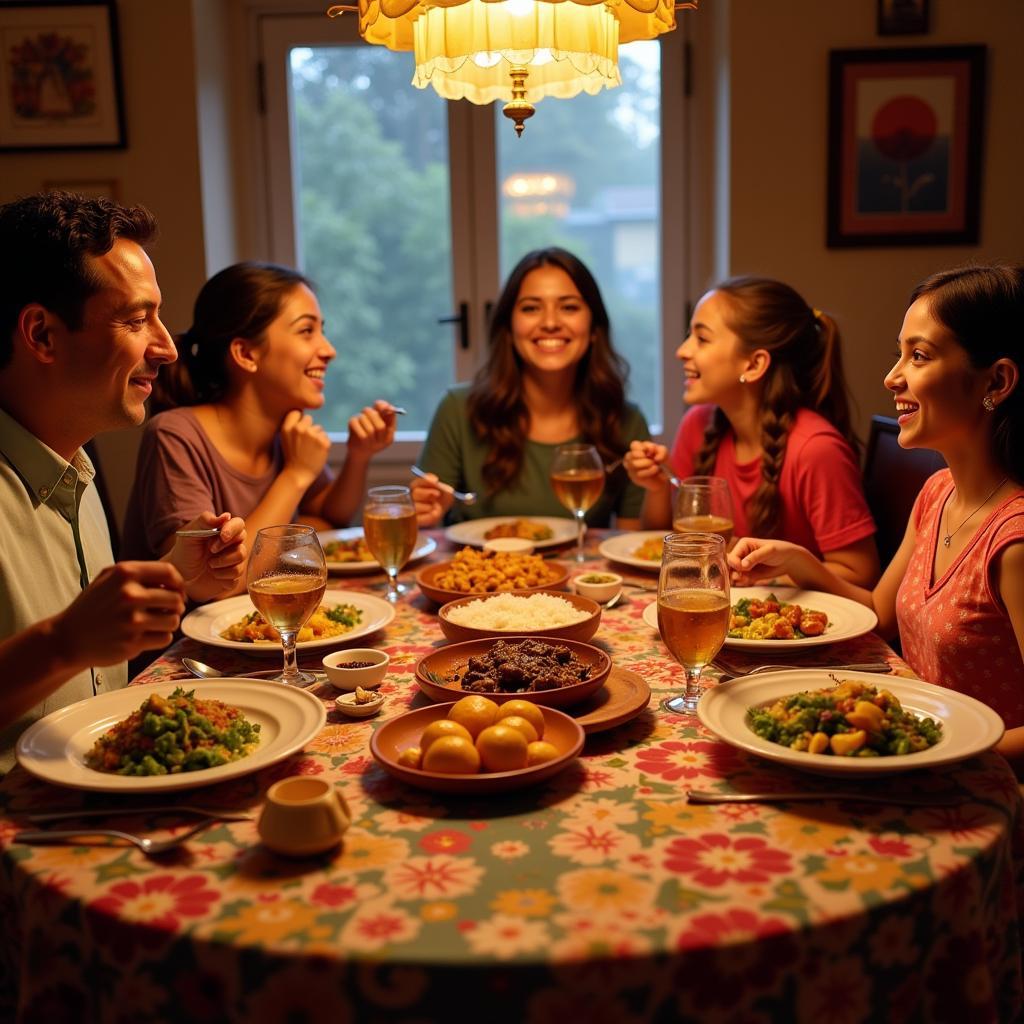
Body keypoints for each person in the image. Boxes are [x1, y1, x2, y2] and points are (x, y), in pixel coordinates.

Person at [729, 264, 1024, 770]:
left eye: (920, 355)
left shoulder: (1015, 541)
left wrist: (931, 750)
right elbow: (880, 614)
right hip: (919, 763)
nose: (892, 377)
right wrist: (798, 561)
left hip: (982, 788)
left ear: (996, 380)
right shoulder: (937, 494)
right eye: (900, 353)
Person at [0, 191, 246, 751]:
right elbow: (70, 645)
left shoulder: (77, 470)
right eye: (137, 319)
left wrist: (177, 579)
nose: (167, 348)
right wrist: (62, 643)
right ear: (41, 334)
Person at [121, 261, 398, 578]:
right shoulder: (174, 436)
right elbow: (209, 580)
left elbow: (331, 519)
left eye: (322, 330)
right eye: (307, 331)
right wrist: (295, 476)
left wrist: (359, 456)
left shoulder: (285, 430)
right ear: (246, 354)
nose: (329, 350)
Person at [624, 275, 879, 586]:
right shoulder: (698, 424)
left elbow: (861, 574)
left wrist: (776, 574)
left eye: (702, 339)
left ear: (754, 365)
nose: (681, 351)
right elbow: (662, 539)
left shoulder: (816, 449)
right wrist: (656, 487)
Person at [412, 247, 650, 528]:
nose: (550, 323)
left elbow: (632, 544)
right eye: (531, 308)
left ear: (595, 328)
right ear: (509, 329)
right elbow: (424, 529)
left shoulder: (626, 420)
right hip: (480, 571)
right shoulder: (457, 409)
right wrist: (422, 510)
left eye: (569, 307)